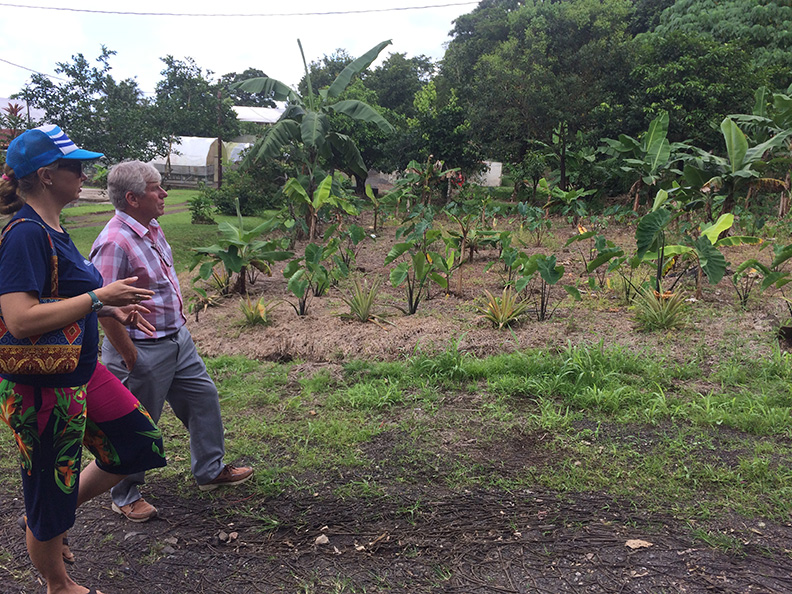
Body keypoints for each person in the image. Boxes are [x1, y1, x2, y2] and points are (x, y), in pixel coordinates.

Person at [0, 125, 167, 594]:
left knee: (138, 444)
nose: (84, 173)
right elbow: (20, 319)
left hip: (78, 369)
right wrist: (98, 297)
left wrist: (109, 306)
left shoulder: (53, 228)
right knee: (49, 488)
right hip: (42, 385)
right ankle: (58, 582)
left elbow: (61, 297)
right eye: (76, 166)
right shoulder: (24, 235)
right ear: (47, 175)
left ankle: (47, 519)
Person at [89, 160, 252, 523]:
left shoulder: (152, 227)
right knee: (134, 422)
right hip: (140, 349)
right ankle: (124, 494)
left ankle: (210, 470)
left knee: (203, 398)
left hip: (177, 339)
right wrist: (130, 356)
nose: (164, 194)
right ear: (132, 198)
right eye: (155, 188)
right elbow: (101, 307)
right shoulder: (114, 243)